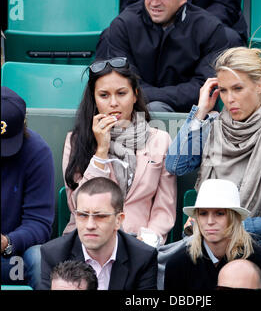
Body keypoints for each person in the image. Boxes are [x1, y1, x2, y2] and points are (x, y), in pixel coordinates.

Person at [165, 46, 261, 289]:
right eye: (223, 90)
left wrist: (230, 228)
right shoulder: (210, 127)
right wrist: (200, 113)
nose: (230, 99)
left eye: (238, 88)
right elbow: (176, 165)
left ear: (260, 84)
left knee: (234, 277)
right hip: (205, 247)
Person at [62, 57, 176, 246]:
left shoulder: (160, 139)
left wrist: (149, 239)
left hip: (139, 242)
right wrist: (101, 151)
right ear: (94, 99)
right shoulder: (76, 141)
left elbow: (165, 206)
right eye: (104, 95)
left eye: (121, 93)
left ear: (135, 95)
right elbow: (78, 205)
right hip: (87, 243)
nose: (113, 103)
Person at [96, 0, 244, 113]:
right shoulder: (122, 26)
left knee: (156, 109)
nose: (155, 2)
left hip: (193, 112)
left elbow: (204, 88)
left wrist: (143, 94)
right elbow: (121, 85)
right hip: (138, 110)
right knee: (154, 109)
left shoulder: (210, 29)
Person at [39, 177, 158, 290]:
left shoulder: (142, 257)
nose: (90, 225)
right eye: (83, 215)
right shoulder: (54, 254)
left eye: (100, 216)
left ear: (119, 220)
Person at [164, 179, 261, 290]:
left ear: (234, 217)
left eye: (219, 213)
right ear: (197, 218)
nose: (210, 221)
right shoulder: (178, 264)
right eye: (203, 213)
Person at [1, 87, 55, 289]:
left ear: (24, 124)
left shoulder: (37, 152)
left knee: (40, 259)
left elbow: (39, 223)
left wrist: (7, 242)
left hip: (13, 255)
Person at [119, 0, 248, 42]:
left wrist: (189, 28)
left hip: (206, 26)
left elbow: (225, 5)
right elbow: (132, 1)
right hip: (154, 23)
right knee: (115, 35)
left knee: (228, 39)